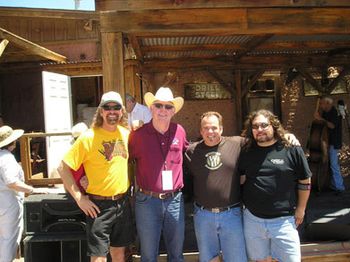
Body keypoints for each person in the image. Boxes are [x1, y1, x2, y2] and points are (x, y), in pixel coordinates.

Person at [58, 91, 134, 262]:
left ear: (122, 111)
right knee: (98, 257)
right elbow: (63, 167)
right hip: (99, 205)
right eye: (107, 107)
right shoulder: (88, 138)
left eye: (116, 107)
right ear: (101, 111)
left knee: (119, 254)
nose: (112, 111)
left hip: (122, 203)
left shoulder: (126, 134)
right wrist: (79, 198)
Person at [238, 109, 312, 262]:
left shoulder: (291, 149)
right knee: (260, 260)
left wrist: (301, 209)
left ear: (274, 125)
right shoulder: (246, 150)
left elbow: (305, 181)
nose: (259, 130)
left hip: (283, 221)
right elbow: (242, 178)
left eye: (264, 125)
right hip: (253, 220)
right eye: (255, 126)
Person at [129, 87, 188, 262]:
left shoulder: (180, 131)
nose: (163, 110)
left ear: (173, 111)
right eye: (158, 105)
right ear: (151, 108)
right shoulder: (137, 135)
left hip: (174, 200)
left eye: (168, 106)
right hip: (147, 201)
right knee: (148, 255)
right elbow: (121, 160)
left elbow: (190, 152)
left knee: (176, 254)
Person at [185, 111, 247, 262]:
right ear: (200, 131)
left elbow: (263, 139)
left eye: (214, 128)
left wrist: (286, 136)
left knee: (237, 258)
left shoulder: (237, 144)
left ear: (221, 129)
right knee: (208, 259)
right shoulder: (191, 151)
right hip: (203, 215)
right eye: (206, 128)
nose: (210, 132)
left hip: (231, 214)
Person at [0, 125, 47, 262]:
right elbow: (12, 182)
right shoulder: (7, 158)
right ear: (12, 142)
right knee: (9, 240)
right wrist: (32, 190)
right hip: (8, 202)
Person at [314, 96, 345, 194]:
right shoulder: (326, 113)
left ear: (328, 103)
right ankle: (333, 184)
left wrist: (320, 119)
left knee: (334, 164)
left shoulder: (334, 112)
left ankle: (340, 187)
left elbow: (332, 125)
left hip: (333, 142)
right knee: (330, 164)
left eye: (322, 103)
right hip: (327, 142)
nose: (321, 105)